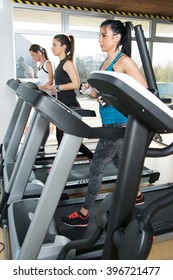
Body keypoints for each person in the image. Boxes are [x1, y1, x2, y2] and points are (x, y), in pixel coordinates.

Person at [62, 19, 148, 228]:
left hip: (120, 124)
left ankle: (84, 214)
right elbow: (101, 95)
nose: (99, 39)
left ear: (116, 38)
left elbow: (144, 90)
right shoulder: (104, 62)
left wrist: (114, 98)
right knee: (119, 162)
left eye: (103, 35)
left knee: (96, 167)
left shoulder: (123, 61)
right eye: (99, 35)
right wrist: (89, 92)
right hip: (110, 122)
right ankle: (137, 194)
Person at [43, 34, 80, 147]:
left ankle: (92, 158)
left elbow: (76, 84)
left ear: (63, 46)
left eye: (54, 45)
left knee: (64, 140)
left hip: (70, 106)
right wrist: (52, 88)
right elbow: (62, 86)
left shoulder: (67, 63)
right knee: (63, 139)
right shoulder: (61, 64)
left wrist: (57, 87)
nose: (51, 48)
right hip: (63, 105)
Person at [29, 44, 54, 152]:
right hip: (42, 94)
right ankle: (39, 144)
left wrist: (41, 87)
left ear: (39, 52)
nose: (32, 58)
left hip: (49, 95)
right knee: (41, 120)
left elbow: (51, 81)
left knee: (45, 121)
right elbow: (41, 80)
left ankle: (41, 146)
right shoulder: (39, 65)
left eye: (33, 55)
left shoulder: (47, 63)